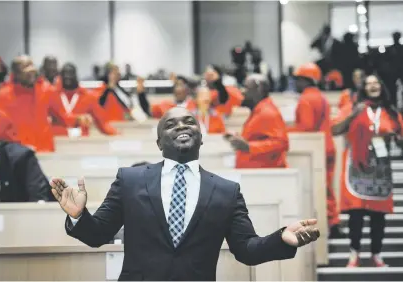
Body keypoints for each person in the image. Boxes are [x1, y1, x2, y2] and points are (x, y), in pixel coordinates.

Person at [50, 106, 320, 280]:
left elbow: (246, 249)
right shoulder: (130, 180)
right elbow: (98, 235)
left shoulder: (226, 191)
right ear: (159, 142)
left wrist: (281, 239)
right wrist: (78, 216)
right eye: (171, 124)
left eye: (189, 122)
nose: (181, 126)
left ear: (201, 137)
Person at [332, 74, 401, 267]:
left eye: (376, 83)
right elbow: (334, 130)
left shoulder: (391, 112)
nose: (372, 86)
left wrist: (395, 137)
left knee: (378, 215)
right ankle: (354, 254)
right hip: (357, 168)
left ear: (381, 86)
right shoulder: (353, 107)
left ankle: (376, 255)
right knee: (356, 214)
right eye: (368, 83)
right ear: (363, 88)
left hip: (380, 169)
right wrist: (354, 114)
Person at [287, 63, 344, 239]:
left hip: (317, 150)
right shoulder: (320, 96)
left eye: (298, 79)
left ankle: (332, 226)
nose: (295, 83)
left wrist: (283, 131)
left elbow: (306, 128)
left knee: (322, 189)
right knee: (327, 188)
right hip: (327, 147)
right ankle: (333, 223)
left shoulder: (306, 99)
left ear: (306, 80)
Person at [0, 55, 90, 152]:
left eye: (32, 67)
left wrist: (78, 119)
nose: (30, 71)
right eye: (25, 68)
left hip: (43, 149)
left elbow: (62, 117)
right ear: (15, 73)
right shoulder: (3, 95)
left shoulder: (47, 90)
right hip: (17, 153)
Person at [224, 74, 289, 168]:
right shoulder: (258, 111)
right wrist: (239, 139)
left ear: (258, 89)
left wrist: (249, 147)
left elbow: (282, 143)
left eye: (246, 87)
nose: (242, 91)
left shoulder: (267, 112)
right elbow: (258, 137)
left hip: (265, 177)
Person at [52, 63, 118, 137]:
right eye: (65, 76)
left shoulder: (88, 97)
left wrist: (117, 134)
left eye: (70, 75)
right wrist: (76, 120)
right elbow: (44, 123)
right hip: (58, 142)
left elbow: (103, 124)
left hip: (83, 144)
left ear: (76, 76)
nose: (68, 78)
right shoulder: (52, 96)